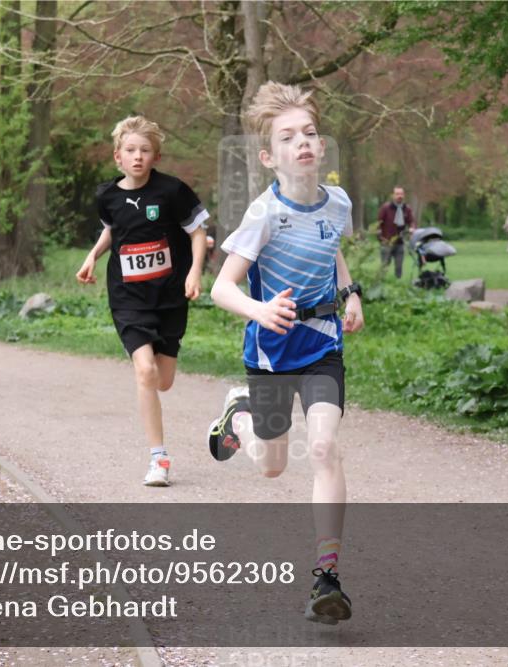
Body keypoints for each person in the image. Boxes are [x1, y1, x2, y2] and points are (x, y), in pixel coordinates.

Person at [208, 81, 364, 625]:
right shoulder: (263, 214)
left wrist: (350, 294)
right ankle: (242, 418)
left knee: (323, 448)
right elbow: (222, 288)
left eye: (310, 133)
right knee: (272, 467)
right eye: (288, 136)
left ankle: (328, 575)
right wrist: (259, 311)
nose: (302, 142)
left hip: (322, 345)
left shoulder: (338, 201)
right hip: (272, 351)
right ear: (268, 156)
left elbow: (332, 251)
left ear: (321, 148)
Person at [76, 115, 208, 487]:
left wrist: (194, 272)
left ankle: (165, 443)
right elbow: (112, 230)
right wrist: (92, 256)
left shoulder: (172, 192)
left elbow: (198, 233)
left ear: (156, 156)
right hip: (128, 298)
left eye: (145, 151)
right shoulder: (107, 196)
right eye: (131, 150)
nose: (138, 157)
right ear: (118, 156)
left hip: (169, 297)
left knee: (163, 381)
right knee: (145, 372)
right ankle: (158, 458)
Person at [376, 186, 415, 279]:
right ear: (393, 195)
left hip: (400, 242)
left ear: (404, 195)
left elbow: (412, 221)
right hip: (387, 242)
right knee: (384, 266)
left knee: (399, 267)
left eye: (401, 194)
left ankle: (397, 284)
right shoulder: (386, 208)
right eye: (397, 194)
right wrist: (380, 238)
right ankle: (380, 284)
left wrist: (412, 228)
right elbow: (378, 223)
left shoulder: (407, 209)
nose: (399, 196)